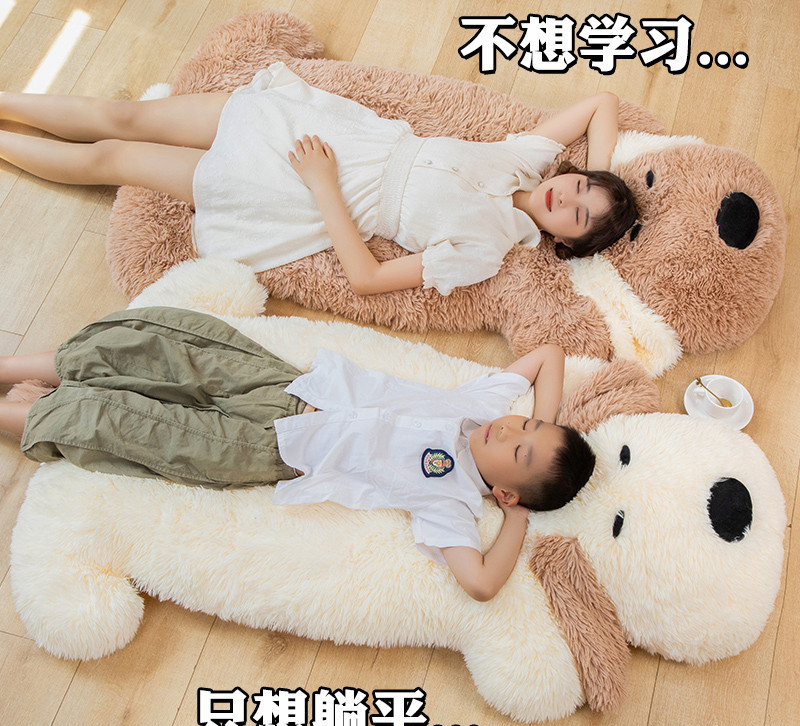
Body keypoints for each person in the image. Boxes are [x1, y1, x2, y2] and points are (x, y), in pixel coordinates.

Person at [0, 308, 594, 601]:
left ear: (505, 490)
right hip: (285, 386)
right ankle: (15, 369)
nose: (508, 430)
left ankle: (25, 412)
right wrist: (548, 427)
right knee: (158, 348)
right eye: (526, 424)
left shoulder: (451, 501)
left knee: (134, 427)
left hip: (267, 448)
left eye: (519, 451)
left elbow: (482, 583)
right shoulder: (479, 405)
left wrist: (516, 517)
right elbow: (549, 356)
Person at [0, 63, 637, 296]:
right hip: (316, 128)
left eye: (579, 214)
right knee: (126, 116)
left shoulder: (486, 251)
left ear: (564, 242)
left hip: (297, 185)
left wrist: (323, 184)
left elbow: (368, 279)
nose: (569, 194)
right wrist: (608, 176)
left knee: (112, 157)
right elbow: (601, 103)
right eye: (582, 185)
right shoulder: (524, 159)